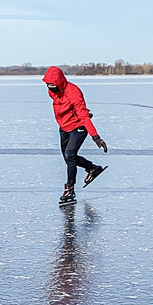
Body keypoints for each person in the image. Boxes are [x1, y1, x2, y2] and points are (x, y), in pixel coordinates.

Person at [42, 66, 108, 204]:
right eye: (48, 85)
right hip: (64, 127)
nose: (50, 88)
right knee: (68, 158)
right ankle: (92, 168)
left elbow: (84, 116)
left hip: (79, 126)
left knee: (70, 154)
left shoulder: (74, 92)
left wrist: (95, 136)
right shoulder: (52, 92)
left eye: (53, 85)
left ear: (60, 82)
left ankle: (69, 190)